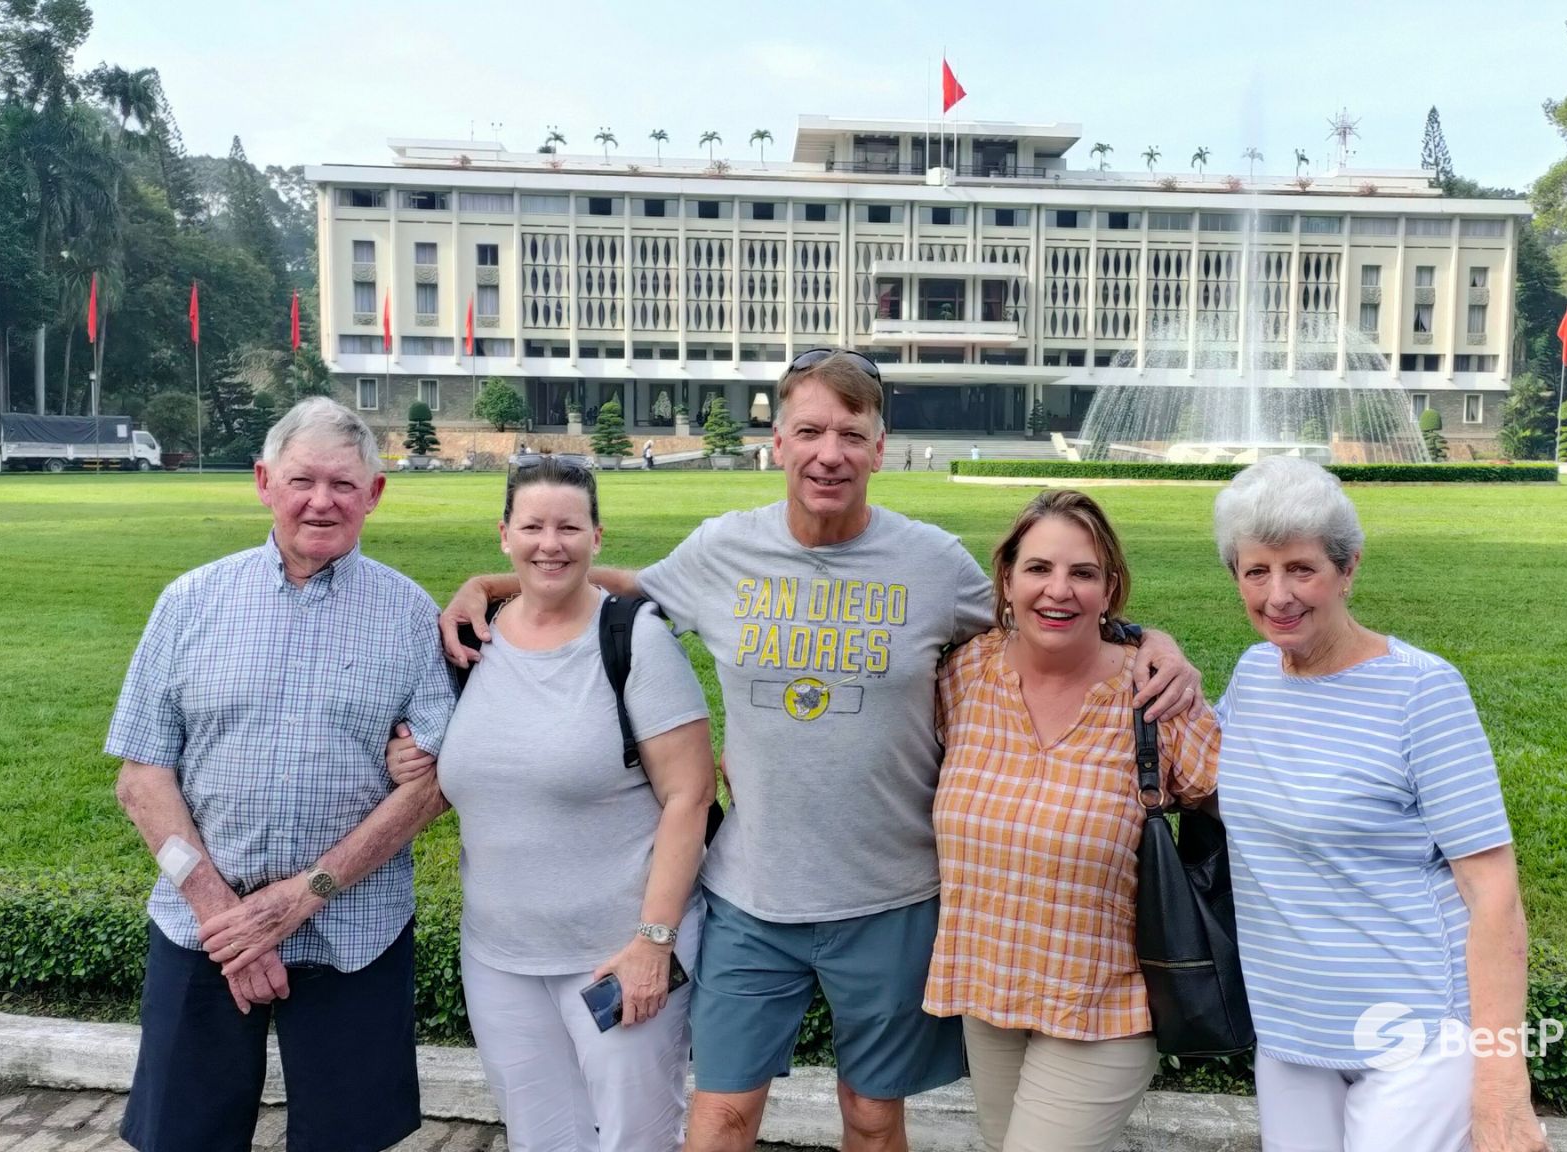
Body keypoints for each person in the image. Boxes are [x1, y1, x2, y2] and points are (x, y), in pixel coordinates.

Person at [439, 350, 1204, 1152]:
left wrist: (1152, 637)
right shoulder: (721, 551)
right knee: (721, 1116)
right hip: (751, 896)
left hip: (890, 896)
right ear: (778, 442)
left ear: (879, 447)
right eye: (808, 430)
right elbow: (613, 586)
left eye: (850, 433)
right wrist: (493, 586)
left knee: (873, 1121)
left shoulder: (933, 563)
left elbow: (1044, 614)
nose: (828, 453)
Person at [105, 397, 456, 1152]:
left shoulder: (409, 615)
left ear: (375, 494)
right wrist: (222, 916)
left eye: (343, 484)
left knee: (348, 1140)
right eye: (302, 480)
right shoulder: (189, 602)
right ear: (264, 481)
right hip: (202, 931)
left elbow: (430, 787)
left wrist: (303, 897)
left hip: (354, 930)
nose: (321, 501)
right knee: (183, 1137)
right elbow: (141, 779)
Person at [1208, 457, 1546, 1152]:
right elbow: (1197, 776)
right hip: (1292, 1030)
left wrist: (1503, 1084)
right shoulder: (1252, 676)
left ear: (1348, 567)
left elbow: (1492, 891)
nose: (1278, 596)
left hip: (1414, 1034)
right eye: (1256, 572)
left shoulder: (1421, 691)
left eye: (1301, 569)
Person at [418, 457, 714, 1151]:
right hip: (499, 957)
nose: (550, 543)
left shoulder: (632, 638)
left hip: (616, 956)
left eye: (568, 528)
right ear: (504, 535)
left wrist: (654, 942)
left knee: (634, 1140)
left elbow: (690, 794)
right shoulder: (472, 639)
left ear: (597, 537)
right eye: (533, 526)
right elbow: (457, 758)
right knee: (540, 1139)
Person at [924, 490, 1220, 1152]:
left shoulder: (1154, 696)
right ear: (1005, 578)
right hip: (988, 993)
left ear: (1111, 588)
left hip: (1103, 1006)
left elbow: (1240, 804)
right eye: (1038, 569)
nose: (1059, 590)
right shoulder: (963, 675)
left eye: (1083, 573)